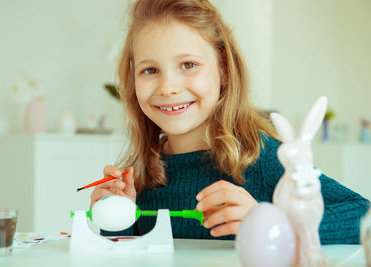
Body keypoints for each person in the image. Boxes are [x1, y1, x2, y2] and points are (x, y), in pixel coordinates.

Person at [90, 0, 370, 243]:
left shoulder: (260, 157)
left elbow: (363, 213)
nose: (168, 87)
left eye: (188, 65)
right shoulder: (140, 175)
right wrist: (117, 216)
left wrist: (271, 222)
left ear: (223, 68)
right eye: (150, 70)